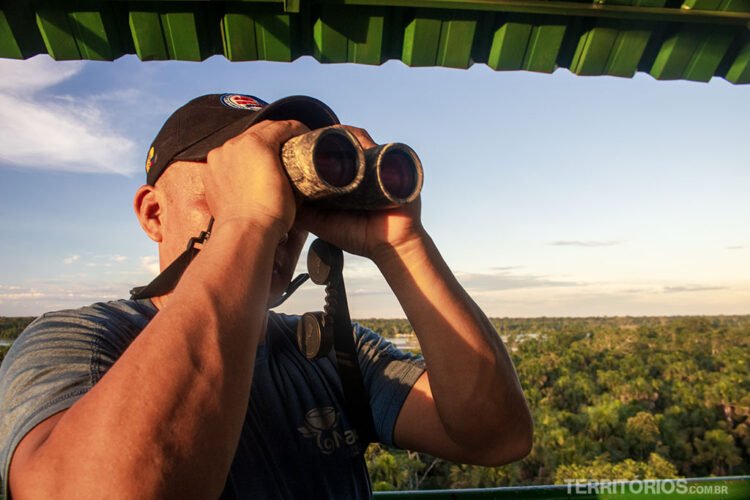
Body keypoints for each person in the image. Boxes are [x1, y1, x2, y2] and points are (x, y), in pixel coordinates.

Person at [0, 94, 532, 498]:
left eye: (286, 188)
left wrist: (403, 244)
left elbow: (496, 435)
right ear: (154, 213)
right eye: (242, 180)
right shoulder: (76, 342)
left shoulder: (332, 354)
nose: (278, 212)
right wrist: (248, 220)